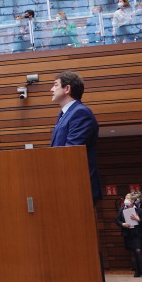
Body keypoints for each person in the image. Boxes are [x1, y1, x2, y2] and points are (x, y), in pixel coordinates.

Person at [49, 70, 102, 201]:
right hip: (67, 185)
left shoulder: (80, 113)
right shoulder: (64, 115)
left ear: (67, 89)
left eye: (55, 85)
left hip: (78, 187)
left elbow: (70, 153)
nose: (51, 89)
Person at [116, 192, 142, 277]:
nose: (126, 200)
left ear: (133, 201)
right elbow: (117, 220)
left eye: (128, 199)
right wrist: (123, 224)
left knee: (138, 250)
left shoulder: (139, 210)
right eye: (125, 198)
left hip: (137, 233)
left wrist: (138, 219)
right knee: (133, 252)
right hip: (128, 233)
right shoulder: (122, 209)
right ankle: (137, 271)